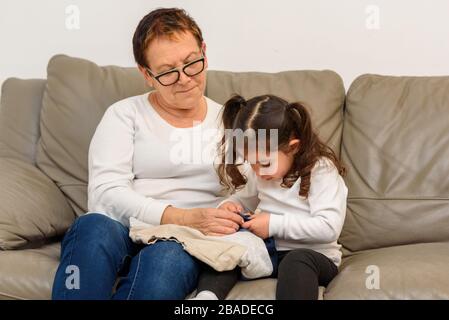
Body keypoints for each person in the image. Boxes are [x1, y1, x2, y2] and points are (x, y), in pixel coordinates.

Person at [52, 8, 244, 300]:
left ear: (204, 51)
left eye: (192, 63)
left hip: (184, 242)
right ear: (147, 75)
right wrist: (179, 216)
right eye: (168, 72)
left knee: (165, 259)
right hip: (123, 228)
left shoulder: (231, 123)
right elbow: (104, 194)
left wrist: (226, 211)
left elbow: (249, 189)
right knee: (91, 228)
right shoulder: (123, 115)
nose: (184, 79)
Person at [193, 94, 349, 300]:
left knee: (296, 261)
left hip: (315, 257)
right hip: (266, 252)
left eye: (265, 163)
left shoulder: (321, 170)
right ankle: (206, 298)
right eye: (252, 163)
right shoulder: (263, 170)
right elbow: (244, 199)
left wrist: (273, 224)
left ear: (293, 147)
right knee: (228, 249)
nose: (258, 172)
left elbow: (329, 227)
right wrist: (230, 205)